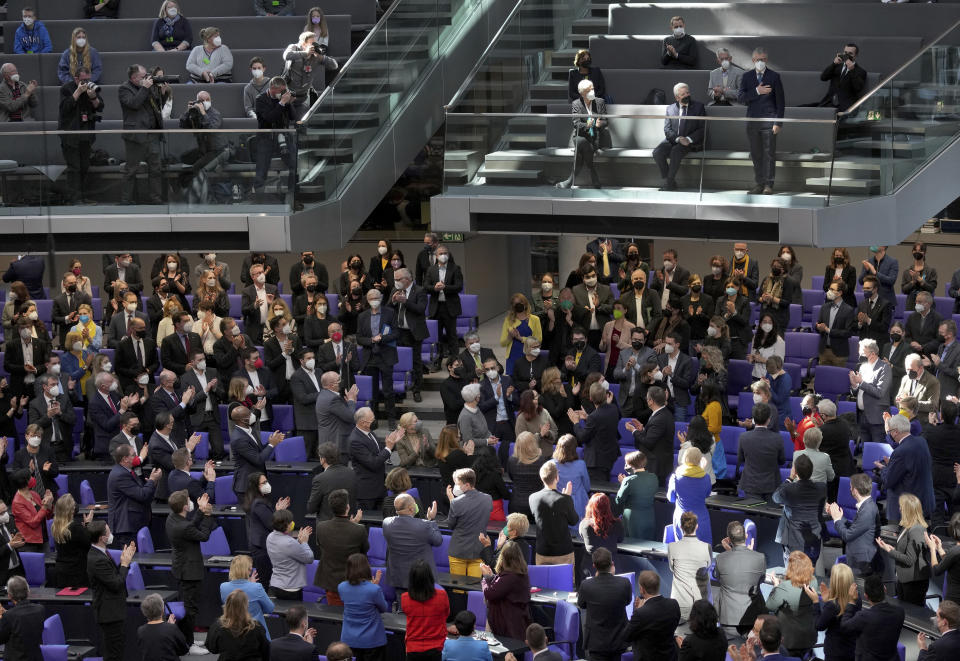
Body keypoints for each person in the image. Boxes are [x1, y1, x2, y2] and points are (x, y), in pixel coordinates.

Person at [166, 489, 217, 654]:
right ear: (185, 507)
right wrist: (207, 514)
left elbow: (190, 525)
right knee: (190, 608)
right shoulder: (184, 527)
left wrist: (199, 512)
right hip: (189, 570)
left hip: (181, 567)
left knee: (188, 605)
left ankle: (185, 639)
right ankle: (189, 644)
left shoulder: (172, 518)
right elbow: (203, 536)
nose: (191, 502)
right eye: (188, 500)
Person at [87, 520, 136, 661]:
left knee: (116, 650)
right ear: (102, 538)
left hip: (113, 610)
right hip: (109, 613)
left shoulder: (100, 553)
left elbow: (112, 576)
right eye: (108, 532)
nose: (111, 534)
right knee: (113, 654)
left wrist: (123, 561)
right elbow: (116, 583)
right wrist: (125, 565)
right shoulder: (97, 559)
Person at [738, 48, 785, 195]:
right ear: (753, 60)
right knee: (756, 154)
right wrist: (757, 91)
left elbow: (781, 102)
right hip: (752, 121)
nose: (760, 62)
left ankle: (768, 185)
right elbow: (741, 98)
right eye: (758, 59)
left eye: (763, 59)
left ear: (767, 60)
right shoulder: (746, 77)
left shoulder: (774, 76)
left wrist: (778, 123)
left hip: (769, 121)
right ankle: (759, 183)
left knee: (769, 154)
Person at [874, 492, 930, 605]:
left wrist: (890, 551)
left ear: (908, 510)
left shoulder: (916, 530)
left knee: (912, 615)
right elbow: (905, 550)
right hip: (904, 578)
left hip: (914, 582)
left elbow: (909, 560)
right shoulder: (907, 526)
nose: (899, 509)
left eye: (901, 507)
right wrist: (889, 547)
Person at [312, 488, 365, 606]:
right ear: (347, 507)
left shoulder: (321, 527)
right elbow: (364, 551)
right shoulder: (359, 530)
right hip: (352, 583)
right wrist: (354, 525)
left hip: (331, 583)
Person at [118, 65, 163, 205]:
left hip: (152, 133)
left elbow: (156, 105)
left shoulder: (147, 88)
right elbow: (134, 104)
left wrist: (161, 92)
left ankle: (155, 199)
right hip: (136, 136)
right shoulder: (124, 89)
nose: (146, 79)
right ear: (133, 78)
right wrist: (145, 88)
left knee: (155, 169)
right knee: (131, 170)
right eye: (143, 77)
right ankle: (126, 200)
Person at [58, 66, 102, 204]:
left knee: (84, 167)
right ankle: (73, 198)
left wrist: (93, 97)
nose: (87, 82)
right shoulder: (66, 89)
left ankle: (82, 196)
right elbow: (65, 108)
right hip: (70, 134)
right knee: (74, 168)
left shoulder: (91, 88)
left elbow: (100, 107)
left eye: (88, 79)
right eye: (83, 80)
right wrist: (78, 91)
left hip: (86, 133)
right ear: (76, 78)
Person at [825, 473, 882, 578]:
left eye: (851, 487)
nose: (850, 489)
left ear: (855, 490)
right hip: (859, 558)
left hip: (861, 563)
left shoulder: (867, 510)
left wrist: (837, 519)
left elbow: (848, 535)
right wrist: (838, 515)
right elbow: (856, 527)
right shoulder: (866, 505)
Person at [773, 455, 826, 567]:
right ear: (811, 471)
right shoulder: (822, 488)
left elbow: (775, 498)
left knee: (793, 579)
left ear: (795, 471)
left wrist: (790, 478)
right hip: (814, 540)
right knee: (809, 575)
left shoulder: (789, 489)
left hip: (794, 542)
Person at [881, 413, 935, 521]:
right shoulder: (921, 441)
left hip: (907, 508)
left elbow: (888, 481)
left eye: (890, 432)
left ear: (896, 432)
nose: (890, 435)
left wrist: (885, 467)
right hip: (924, 501)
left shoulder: (900, 452)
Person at [838, 574, 905, 661]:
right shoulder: (900, 612)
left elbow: (844, 627)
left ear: (866, 596)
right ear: (885, 589)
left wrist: (851, 602)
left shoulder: (863, 617)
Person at [383, 492, 442, 589]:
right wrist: (431, 520)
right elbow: (438, 541)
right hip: (421, 580)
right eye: (415, 504)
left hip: (399, 579)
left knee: (402, 604)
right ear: (411, 508)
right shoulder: (425, 525)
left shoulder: (386, 523)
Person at [765, 551, 818, 658]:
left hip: (789, 640)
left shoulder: (784, 587)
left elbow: (770, 605)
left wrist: (776, 586)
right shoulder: (814, 581)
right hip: (808, 636)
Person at [653, 83, 706, 190]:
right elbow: (667, 129)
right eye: (683, 94)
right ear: (677, 97)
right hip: (674, 139)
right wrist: (677, 139)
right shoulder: (670, 108)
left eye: (688, 93)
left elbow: (702, 129)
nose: (687, 95)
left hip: (689, 141)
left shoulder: (698, 107)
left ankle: (669, 183)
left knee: (675, 151)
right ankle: (670, 180)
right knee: (657, 152)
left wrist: (688, 139)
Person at [107, 445, 161, 548]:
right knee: (129, 560)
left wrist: (151, 482)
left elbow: (142, 492)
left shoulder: (127, 471)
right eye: (133, 455)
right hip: (126, 528)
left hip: (132, 524)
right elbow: (142, 495)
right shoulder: (120, 475)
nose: (136, 457)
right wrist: (152, 480)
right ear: (125, 459)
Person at [555, 79, 606, 189]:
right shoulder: (576, 104)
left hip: (594, 137)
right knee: (582, 142)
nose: (592, 91)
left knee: (581, 148)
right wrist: (587, 125)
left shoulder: (600, 102)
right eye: (589, 90)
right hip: (580, 135)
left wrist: (599, 124)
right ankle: (592, 172)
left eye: (593, 89)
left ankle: (570, 181)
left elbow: (606, 121)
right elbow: (576, 124)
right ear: (582, 93)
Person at [242, 471, 290, 586]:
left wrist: (277, 511)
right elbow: (271, 523)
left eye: (266, 481)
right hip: (261, 548)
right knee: (263, 581)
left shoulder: (260, 500)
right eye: (263, 483)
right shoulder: (258, 503)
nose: (266, 484)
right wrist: (279, 511)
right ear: (255, 487)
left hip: (263, 545)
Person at [338, 553, 389, 661]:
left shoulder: (341, 587)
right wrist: (375, 586)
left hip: (349, 640)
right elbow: (383, 608)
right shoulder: (374, 590)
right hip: (372, 641)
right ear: (366, 568)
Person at [350, 407, 403, 509]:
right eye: (372, 420)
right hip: (367, 492)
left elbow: (380, 451)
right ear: (363, 423)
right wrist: (388, 447)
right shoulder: (355, 440)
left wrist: (392, 443)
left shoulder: (369, 432)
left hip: (379, 487)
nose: (375, 421)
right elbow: (373, 463)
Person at [253, 77, 297, 198]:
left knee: (295, 164)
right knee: (261, 169)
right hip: (266, 138)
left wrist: (289, 103)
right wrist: (281, 103)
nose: (282, 93)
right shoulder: (261, 99)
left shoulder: (283, 99)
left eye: (284, 91)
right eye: (280, 91)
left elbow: (293, 117)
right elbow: (269, 118)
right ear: (272, 89)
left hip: (284, 137)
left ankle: (292, 195)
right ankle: (259, 196)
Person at [529, 460, 578, 569]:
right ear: (557, 478)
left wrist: (565, 499)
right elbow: (574, 520)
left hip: (542, 551)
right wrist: (567, 498)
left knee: (541, 585)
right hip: (563, 552)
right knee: (566, 584)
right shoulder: (565, 499)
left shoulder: (533, 497)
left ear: (542, 478)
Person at [624, 569, 682, 660]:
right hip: (670, 657)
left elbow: (627, 636)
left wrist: (638, 610)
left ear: (642, 589)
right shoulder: (673, 604)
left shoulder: (640, 613)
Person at [479, 540, 531, 641]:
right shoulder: (519, 573)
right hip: (513, 621)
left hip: (508, 625)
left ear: (503, 558)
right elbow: (501, 586)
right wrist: (491, 577)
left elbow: (490, 594)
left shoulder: (511, 577)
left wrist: (485, 578)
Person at [446, 468, 492, 577]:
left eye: (458, 484)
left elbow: (450, 525)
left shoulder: (455, 503)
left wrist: (452, 501)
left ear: (467, 485)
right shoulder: (488, 499)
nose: (456, 487)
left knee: (458, 590)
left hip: (458, 551)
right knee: (474, 588)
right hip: (478, 550)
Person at [571, 382, 619, 484]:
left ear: (591, 399)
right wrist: (588, 417)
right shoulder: (613, 409)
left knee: (598, 493)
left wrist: (576, 423)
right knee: (604, 489)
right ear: (605, 395)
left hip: (597, 462)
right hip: (610, 457)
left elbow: (582, 437)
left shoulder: (594, 416)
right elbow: (601, 424)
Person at [808, 562, 858, 661]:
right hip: (851, 648)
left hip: (834, 652)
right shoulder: (857, 598)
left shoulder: (833, 605)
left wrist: (815, 602)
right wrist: (828, 600)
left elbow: (819, 625)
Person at [401, 560, 450, 661]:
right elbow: (446, 614)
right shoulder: (442, 595)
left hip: (413, 648)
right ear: (430, 577)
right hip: (437, 647)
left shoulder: (405, 598)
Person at [667, 511, 712, 619]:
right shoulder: (707, 547)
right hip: (700, 603)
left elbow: (672, 568)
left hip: (680, 602)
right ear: (697, 526)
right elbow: (707, 567)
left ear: (681, 527)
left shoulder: (672, 546)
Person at [282, 31, 338, 118]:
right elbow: (287, 56)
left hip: (303, 97)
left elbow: (334, 65)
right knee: (283, 122)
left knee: (301, 123)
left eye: (316, 43)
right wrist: (305, 53)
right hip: (287, 95)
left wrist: (321, 57)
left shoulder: (315, 55)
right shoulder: (294, 47)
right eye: (312, 43)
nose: (315, 45)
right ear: (304, 43)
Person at [628, 385, 675, 486]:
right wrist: (643, 430)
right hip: (659, 464)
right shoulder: (664, 413)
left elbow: (648, 442)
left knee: (652, 496)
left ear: (651, 401)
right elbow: (656, 436)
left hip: (656, 466)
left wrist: (634, 431)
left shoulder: (660, 418)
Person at [737, 402, 784, 501]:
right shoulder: (777, 438)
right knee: (769, 515)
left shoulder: (744, 437)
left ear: (753, 419)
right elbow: (782, 461)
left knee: (752, 515)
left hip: (751, 484)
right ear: (768, 419)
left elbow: (740, 459)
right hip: (771, 484)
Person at [206, 590, 270, 661]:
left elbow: (212, 648)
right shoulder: (256, 627)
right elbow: (266, 651)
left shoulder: (218, 626)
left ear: (227, 605)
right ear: (246, 605)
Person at [219, 555, 275, 635]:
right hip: (255, 631)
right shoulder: (256, 587)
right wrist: (251, 585)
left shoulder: (223, 587)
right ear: (248, 570)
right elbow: (270, 609)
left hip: (231, 632)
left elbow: (230, 606)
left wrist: (249, 584)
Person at [265, 509, 313, 600]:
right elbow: (309, 558)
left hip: (276, 585)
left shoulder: (270, 537)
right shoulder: (290, 543)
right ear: (286, 525)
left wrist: (298, 541)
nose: (292, 524)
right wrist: (304, 543)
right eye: (290, 522)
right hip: (291, 588)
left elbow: (287, 549)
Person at [669, 447, 712, 544]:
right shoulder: (706, 477)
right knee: (702, 551)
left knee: (681, 550)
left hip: (682, 518)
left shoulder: (676, 477)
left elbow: (671, 498)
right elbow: (707, 494)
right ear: (700, 460)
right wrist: (701, 469)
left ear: (685, 458)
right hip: (701, 519)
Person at [578, 492, 624, 577]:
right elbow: (620, 539)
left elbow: (582, 536)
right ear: (608, 507)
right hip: (612, 564)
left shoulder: (584, 524)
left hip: (590, 567)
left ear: (591, 507)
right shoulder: (617, 523)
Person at [614, 451, 657, 540]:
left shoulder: (628, 480)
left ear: (631, 464)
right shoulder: (653, 477)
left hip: (633, 520)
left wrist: (623, 484)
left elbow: (618, 500)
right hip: (649, 517)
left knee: (632, 545)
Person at [507, 432, 547, 521]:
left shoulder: (512, 460)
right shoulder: (541, 460)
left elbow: (511, 477)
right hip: (536, 504)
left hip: (517, 503)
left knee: (516, 533)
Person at [137, 593, 188, 661]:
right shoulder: (172, 629)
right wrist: (171, 626)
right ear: (163, 610)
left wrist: (169, 626)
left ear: (144, 613)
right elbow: (184, 650)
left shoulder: (141, 631)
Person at [816, 281, 855, 367]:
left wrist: (828, 330)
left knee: (837, 379)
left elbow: (848, 332)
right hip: (824, 351)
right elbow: (818, 324)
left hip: (839, 353)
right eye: (829, 289)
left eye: (832, 289)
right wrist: (818, 327)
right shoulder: (824, 307)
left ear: (840, 293)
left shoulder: (848, 310)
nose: (829, 291)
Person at [859, 245, 899, 312]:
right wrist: (866, 270)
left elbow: (891, 281)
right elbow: (860, 281)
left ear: (884, 246)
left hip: (886, 302)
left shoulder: (893, 262)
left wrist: (875, 273)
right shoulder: (869, 261)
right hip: (870, 301)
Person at [902, 241, 938, 311]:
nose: (917, 252)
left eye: (920, 251)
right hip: (911, 305)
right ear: (912, 252)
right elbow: (904, 290)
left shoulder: (931, 271)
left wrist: (921, 280)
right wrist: (913, 282)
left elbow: (932, 289)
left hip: (926, 305)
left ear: (924, 252)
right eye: (915, 250)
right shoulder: (907, 271)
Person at [906, 291, 945, 356]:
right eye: (916, 301)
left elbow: (939, 340)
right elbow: (906, 336)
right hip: (912, 352)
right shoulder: (911, 317)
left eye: (919, 302)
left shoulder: (938, 318)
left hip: (929, 354)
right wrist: (911, 342)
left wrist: (922, 347)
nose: (916, 304)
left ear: (928, 304)